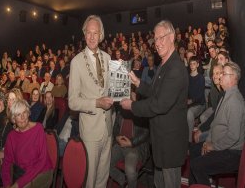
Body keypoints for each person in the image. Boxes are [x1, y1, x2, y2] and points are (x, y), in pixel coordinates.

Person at [120, 20, 189, 188]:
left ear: (172, 37)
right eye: (155, 39)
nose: (157, 43)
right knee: (159, 183)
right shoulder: (164, 64)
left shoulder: (175, 68)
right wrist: (138, 83)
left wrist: (132, 106)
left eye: (161, 38)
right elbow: (155, 92)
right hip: (160, 139)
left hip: (170, 143)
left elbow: (159, 104)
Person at [68, 15, 114, 188]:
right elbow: (72, 102)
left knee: (103, 177)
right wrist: (96, 103)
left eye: (96, 33)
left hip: (107, 128)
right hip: (89, 131)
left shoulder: (109, 58)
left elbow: (111, 90)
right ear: (84, 34)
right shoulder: (76, 62)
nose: (92, 37)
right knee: (89, 179)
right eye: (89, 32)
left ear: (101, 35)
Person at [189, 62, 245, 186]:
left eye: (224, 74)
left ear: (234, 78)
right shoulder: (225, 95)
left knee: (197, 166)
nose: (220, 77)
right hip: (221, 144)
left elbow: (233, 137)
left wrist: (213, 146)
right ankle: (194, 186)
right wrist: (207, 142)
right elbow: (214, 124)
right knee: (193, 150)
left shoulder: (235, 101)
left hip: (232, 153)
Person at [1, 99, 53, 188]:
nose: (22, 117)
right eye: (18, 115)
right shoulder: (11, 136)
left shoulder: (38, 129)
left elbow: (42, 161)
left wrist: (18, 184)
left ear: (28, 113)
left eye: (24, 113)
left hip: (42, 172)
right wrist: (7, 184)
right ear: (13, 119)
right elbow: (7, 162)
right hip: (21, 173)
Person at [110, 105, 149, 188]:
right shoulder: (121, 109)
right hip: (119, 144)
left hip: (134, 147)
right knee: (104, 164)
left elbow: (146, 133)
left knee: (130, 171)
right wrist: (117, 137)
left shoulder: (142, 109)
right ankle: (123, 181)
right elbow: (115, 127)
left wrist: (131, 142)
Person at [187, 56, 205, 142]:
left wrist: (191, 100)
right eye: (191, 64)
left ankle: (189, 141)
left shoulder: (200, 78)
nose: (192, 65)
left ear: (197, 65)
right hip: (189, 104)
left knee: (189, 113)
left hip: (199, 104)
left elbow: (200, 96)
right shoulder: (188, 77)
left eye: (194, 64)